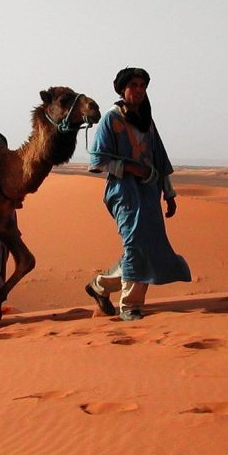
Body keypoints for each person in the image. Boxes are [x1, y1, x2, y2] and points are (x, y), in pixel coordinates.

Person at [86, 67, 190, 321]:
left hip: (149, 192)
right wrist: (132, 168)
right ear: (123, 89)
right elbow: (98, 159)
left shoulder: (147, 120)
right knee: (135, 244)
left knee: (149, 246)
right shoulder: (112, 119)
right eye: (134, 85)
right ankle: (130, 305)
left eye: (143, 85)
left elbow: (159, 159)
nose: (139, 90)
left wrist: (169, 193)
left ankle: (101, 285)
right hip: (123, 192)